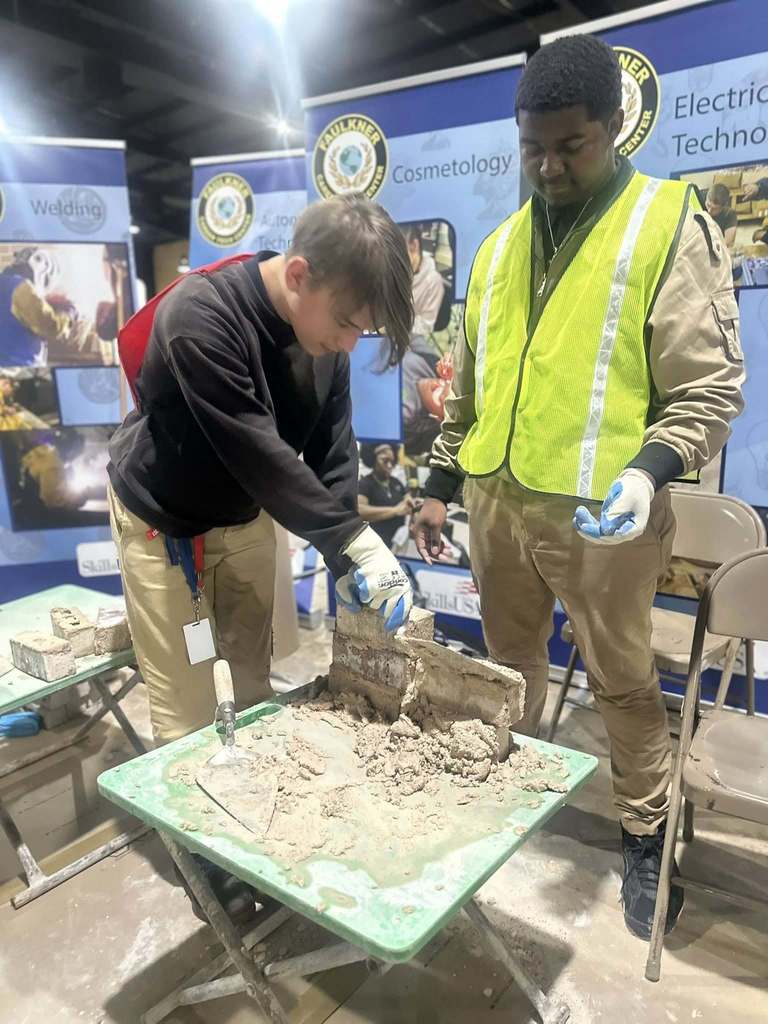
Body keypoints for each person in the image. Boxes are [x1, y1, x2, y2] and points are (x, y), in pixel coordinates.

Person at [414, 35, 744, 942]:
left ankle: (646, 834)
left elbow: (710, 387)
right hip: (497, 502)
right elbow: (468, 390)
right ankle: (510, 799)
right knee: (507, 664)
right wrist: (440, 486)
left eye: (572, 146)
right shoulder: (493, 249)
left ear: (613, 127)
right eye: (533, 149)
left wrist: (652, 471)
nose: (550, 167)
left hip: (607, 514)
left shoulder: (664, 223)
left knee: (623, 682)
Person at [108, 194, 414, 923]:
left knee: (248, 682)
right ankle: (202, 856)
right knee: (186, 701)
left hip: (242, 518)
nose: (348, 344)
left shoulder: (324, 343)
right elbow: (255, 447)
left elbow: (331, 454)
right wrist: (348, 541)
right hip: (165, 524)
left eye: (362, 333)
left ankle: (249, 816)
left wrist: (347, 560)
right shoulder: (202, 317)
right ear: (300, 274)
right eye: (346, 323)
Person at [400, 225, 447, 454]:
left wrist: (392, 327)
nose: (439, 387)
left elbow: (424, 326)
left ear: (414, 246)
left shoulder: (433, 282)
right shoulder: (431, 366)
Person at [358, 443, 414, 548]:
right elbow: (360, 511)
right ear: (373, 460)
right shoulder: (365, 484)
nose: (389, 466)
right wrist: (395, 511)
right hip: (374, 546)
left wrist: (412, 504)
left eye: (392, 461)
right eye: (385, 460)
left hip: (398, 543)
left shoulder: (396, 482)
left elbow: (407, 498)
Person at [705, 183, 738, 248]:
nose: (709, 211)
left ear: (723, 207)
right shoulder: (698, 200)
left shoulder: (729, 214)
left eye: (715, 209)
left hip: (717, 247)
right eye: (708, 205)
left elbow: (728, 243)